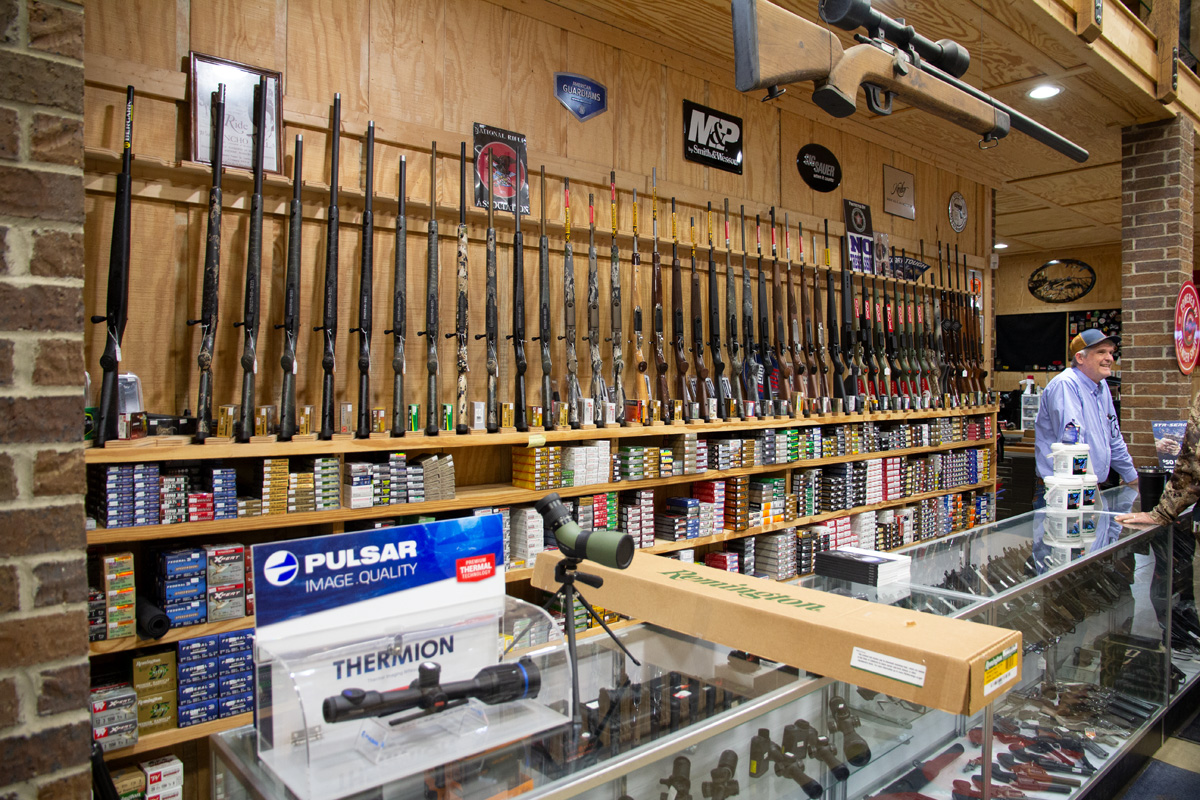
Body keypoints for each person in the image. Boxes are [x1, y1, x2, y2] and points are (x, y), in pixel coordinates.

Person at [1033, 329, 1136, 500]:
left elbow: (1114, 438)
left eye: (1110, 352)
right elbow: (1072, 443)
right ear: (1080, 358)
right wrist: (1085, 490)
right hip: (1064, 492)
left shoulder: (1101, 387)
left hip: (1088, 490)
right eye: (1101, 352)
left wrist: (1133, 479)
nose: (1109, 358)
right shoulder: (1066, 385)